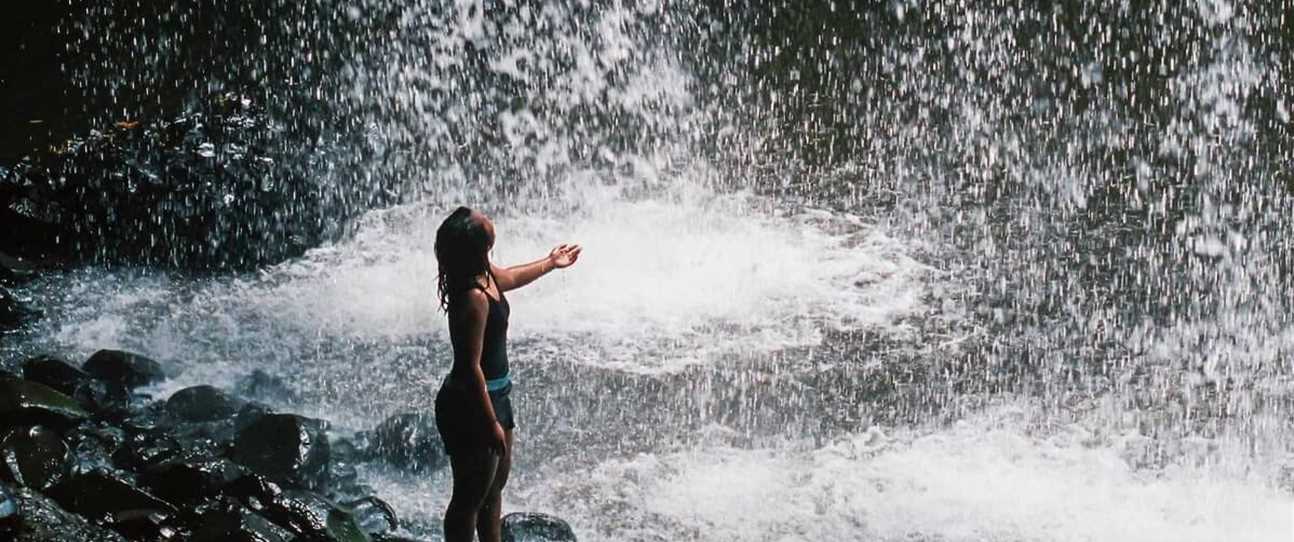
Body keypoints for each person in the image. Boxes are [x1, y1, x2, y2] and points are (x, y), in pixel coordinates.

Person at [433, 206, 581, 542]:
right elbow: (469, 369)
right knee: (468, 498)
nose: (487, 214)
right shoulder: (472, 297)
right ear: (477, 243)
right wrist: (490, 423)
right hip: (471, 404)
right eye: (480, 217)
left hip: (496, 395)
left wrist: (549, 263)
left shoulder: (483, 273)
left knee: (494, 488)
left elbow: (511, 277)